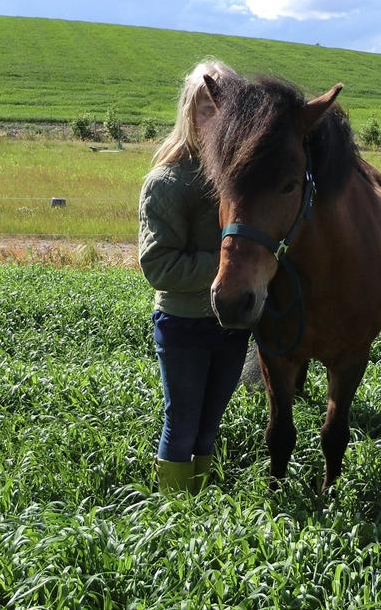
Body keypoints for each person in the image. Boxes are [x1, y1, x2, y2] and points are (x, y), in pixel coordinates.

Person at [138, 59, 250, 494]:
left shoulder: (241, 182)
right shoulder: (167, 182)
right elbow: (159, 266)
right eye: (207, 108)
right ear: (188, 112)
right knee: (182, 422)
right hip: (183, 322)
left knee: (210, 422)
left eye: (228, 109)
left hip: (230, 324)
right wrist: (228, 267)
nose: (217, 119)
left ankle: (199, 503)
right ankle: (173, 513)